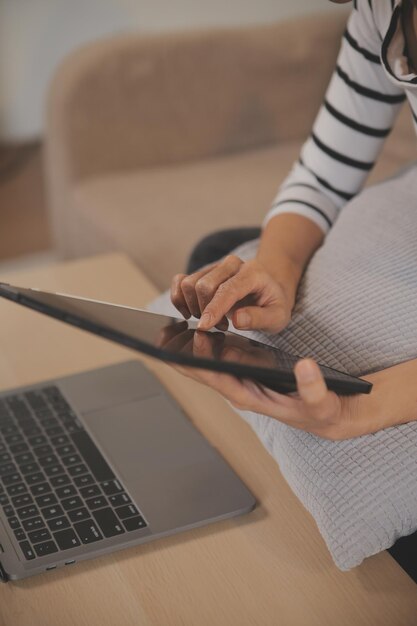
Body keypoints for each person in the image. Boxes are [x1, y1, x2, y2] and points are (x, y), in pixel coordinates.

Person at [169, 0, 417, 442]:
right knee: (215, 253)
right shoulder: (382, 10)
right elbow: (322, 177)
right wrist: (275, 271)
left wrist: (360, 407)